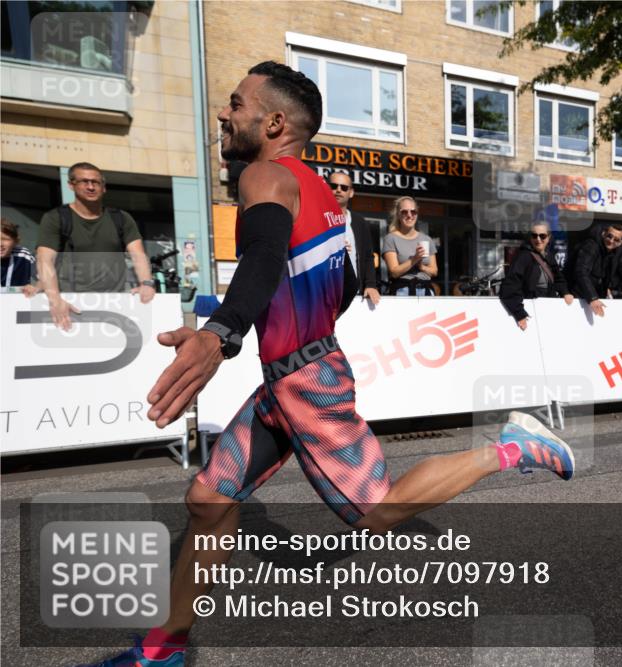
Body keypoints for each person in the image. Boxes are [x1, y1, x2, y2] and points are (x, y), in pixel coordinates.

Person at [79, 61, 575, 667]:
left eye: (236, 103)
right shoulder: (328, 201)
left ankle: (511, 446)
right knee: (209, 499)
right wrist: (285, 329)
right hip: (288, 378)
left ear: (275, 122)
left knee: (375, 511)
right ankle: (161, 652)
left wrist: (221, 333)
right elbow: (334, 288)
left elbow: (261, 258)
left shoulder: (264, 174)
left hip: (304, 381)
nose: (224, 113)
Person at [35, 162, 156, 330]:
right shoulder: (56, 218)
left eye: (96, 182)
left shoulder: (121, 218)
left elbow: (138, 255)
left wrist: (146, 283)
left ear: (104, 187)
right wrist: (55, 299)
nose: (91, 187)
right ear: (71, 185)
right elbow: (44, 260)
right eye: (84, 181)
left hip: (114, 302)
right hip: (69, 301)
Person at [499, 222, 574, 330]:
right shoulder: (523, 256)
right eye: (534, 236)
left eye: (542, 236)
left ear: (549, 238)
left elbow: (559, 278)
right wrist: (519, 313)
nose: (538, 239)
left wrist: (565, 292)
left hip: (549, 309)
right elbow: (511, 285)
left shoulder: (549, 256)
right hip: (530, 311)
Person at [571, 223, 622, 317]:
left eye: (616, 240)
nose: (611, 241)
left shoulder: (617, 252)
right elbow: (581, 271)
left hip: (596, 296)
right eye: (609, 236)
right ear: (603, 234)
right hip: (578, 295)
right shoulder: (591, 246)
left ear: (620, 242)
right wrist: (592, 297)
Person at [328, 170, 380, 306]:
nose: (338, 190)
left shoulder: (359, 221)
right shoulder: (317, 219)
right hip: (325, 291)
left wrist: (370, 285)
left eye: (344, 187)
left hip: (354, 294)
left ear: (351, 192)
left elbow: (368, 257)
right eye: (334, 186)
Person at [381, 196, 437, 296]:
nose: (409, 215)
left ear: (417, 214)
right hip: (403, 290)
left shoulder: (426, 239)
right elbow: (394, 272)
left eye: (413, 211)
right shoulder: (391, 238)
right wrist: (414, 259)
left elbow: (434, 271)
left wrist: (421, 267)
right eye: (404, 212)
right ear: (398, 214)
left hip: (426, 290)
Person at [1, 218, 35, 289]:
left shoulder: (24, 256)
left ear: (16, 242)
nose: (0, 244)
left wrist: (35, 286)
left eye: (5, 239)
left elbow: (45, 280)